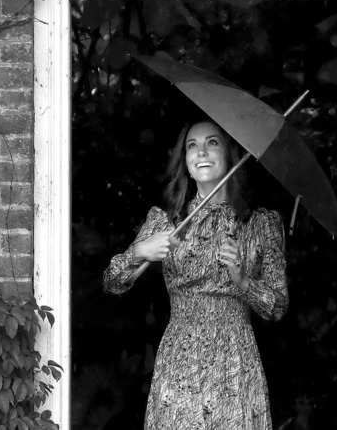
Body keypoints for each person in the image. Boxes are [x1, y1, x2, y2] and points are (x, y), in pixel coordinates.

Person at [103, 120, 288, 430]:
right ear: (186, 163)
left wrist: (243, 281)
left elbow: (277, 306)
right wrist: (140, 252)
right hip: (181, 360)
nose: (201, 151)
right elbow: (112, 282)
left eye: (212, 142)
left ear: (230, 154)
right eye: (193, 145)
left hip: (235, 359)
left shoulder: (260, 224)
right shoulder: (165, 221)